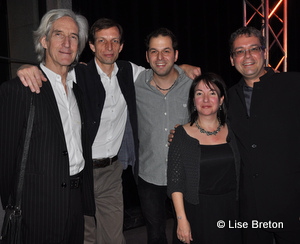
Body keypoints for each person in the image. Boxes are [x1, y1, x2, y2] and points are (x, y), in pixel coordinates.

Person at [16, 19, 201, 244]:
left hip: (112, 170)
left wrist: (186, 69)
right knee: (86, 236)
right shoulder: (76, 74)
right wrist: (27, 68)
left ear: (122, 46)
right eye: (102, 41)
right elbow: (49, 74)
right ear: (91, 46)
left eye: (115, 41)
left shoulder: (130, 71)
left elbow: (161, 67)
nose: (109, 47)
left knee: (113, 238)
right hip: (80, 171)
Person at [0, 9, 95, 244]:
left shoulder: (78, 91)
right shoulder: (20, 89)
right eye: (58, 34)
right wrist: (13, 206)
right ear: (44, 40)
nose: (66, 43)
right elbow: (5, 158)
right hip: (37, 207)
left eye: (73, 37)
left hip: (75, 200)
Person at [228, 26, 300, 244]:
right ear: (232, 59)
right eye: (239, 51)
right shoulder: (228, 97)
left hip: (291, 203)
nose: (247, 56)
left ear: (264, 52)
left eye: (253, 49)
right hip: (250, 208)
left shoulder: (293, 85)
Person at [135, 28, 194, 244]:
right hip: (149, 174)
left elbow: (211, 121)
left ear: (176, 55)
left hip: (186, 174)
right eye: (154, 51)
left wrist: (189, 131)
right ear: (147, 56)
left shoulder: (193, 85)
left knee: (187, 232)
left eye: (166, 51)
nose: (160, 58)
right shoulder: (136, 83)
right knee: (155, 234)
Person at [167, 73, 241, 244]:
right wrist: (181, 220)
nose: (205, 99)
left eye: (212, 93)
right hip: (197, 212)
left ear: (221, 99)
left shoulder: (234, 131)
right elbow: (175, 183)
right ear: (193, 100)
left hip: (231, 209)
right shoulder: (181, 135)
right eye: (199, 93)